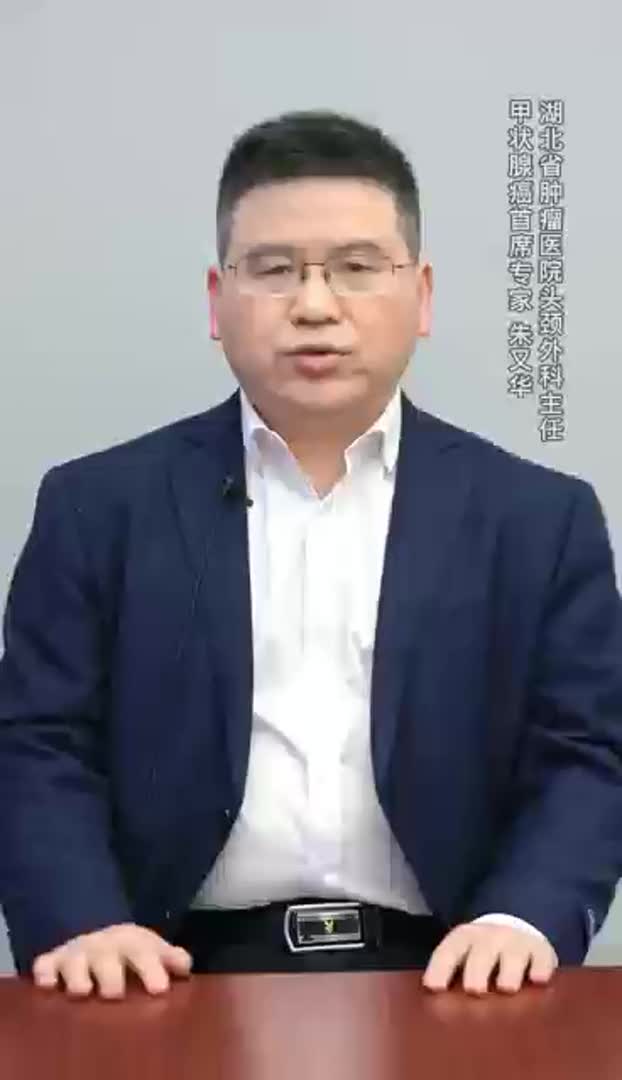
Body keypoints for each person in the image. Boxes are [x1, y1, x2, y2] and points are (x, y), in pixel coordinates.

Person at [1, 110, 622, 1003]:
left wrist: (524, 919)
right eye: (274, 269)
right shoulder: (97, 508)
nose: (316, 305)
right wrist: (80, 920)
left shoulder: (538, 519)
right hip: (163, 973)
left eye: (358, 268)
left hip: (455, 971)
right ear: (217, 301)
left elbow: (586, 753)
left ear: (422, 297)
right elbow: (38, 742)